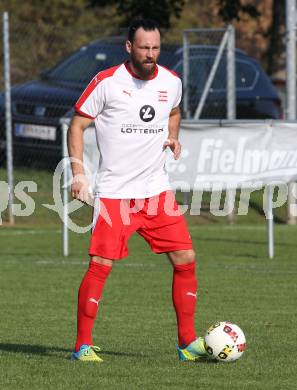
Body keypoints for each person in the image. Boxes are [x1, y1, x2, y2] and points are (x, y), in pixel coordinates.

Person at [68, 18, 207, 362]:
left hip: (157, 191)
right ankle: (82, 346)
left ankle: (187, 344)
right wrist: (78, 174)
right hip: (116, 193)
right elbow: (78, 124)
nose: (150, 54)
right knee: (101, 264)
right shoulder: (107, 82)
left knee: (186, 259)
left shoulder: (171, 81)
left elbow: (173, 112)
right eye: (144, 48)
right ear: (129, 47)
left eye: (155, 47)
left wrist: (173, 136)